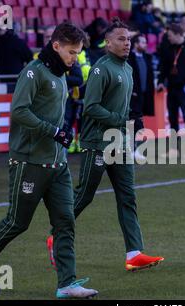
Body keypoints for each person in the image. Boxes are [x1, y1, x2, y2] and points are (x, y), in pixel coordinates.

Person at [0, 22, 98, 299]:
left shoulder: (61, 73)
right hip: (29, 162)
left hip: (58, 165)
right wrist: (52, 130)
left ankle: (67, 283)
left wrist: (62, 131)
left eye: (77, 53)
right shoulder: (33, 72)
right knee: (17, 222)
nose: (75, 58)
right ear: (56, 46)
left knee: (65, 222)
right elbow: (18, 111)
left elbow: (54, 111)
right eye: (72, 52)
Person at [46, 18, 164, 273]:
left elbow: (123, 104)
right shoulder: (102, 69)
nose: (127, 43)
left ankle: (134, 253)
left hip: (119, 142)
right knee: (84, 195)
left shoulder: (127, 68)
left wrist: (134, 115)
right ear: (108, 43)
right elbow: (91, 107)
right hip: (98, 142)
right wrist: (120, 120)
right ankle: (55, 236)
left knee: (127, 196)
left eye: (129, 39)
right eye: (121, 39)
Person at [157, 23, 185, 159]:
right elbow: (164, 67)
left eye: (170, 35)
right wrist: (160, 81)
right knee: (172, 119)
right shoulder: (169, 48)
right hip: (171, 87)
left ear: (178, 34)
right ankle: (173, 149)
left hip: (184, 87)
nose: (168, 38)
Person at [128, 33, 155, 161]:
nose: (145, 45)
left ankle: (132, 150)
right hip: (133, 96)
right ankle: (131, 150)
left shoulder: (146, 57)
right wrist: (131, 91)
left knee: (137, 124)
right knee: (134, 124)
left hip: (144, 96)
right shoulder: (129, 58)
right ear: (136, 44)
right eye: (143, 42)